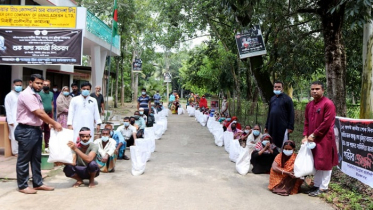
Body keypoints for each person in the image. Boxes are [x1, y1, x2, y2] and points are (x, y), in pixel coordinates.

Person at [15, 74, 62, 194]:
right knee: (24, 159)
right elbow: (39, 113)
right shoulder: (27, 95)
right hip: (26, 130)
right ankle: (22, 185)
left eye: (41, 83)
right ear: (30, 82)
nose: (40, 85)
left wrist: (47, 123)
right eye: (37, 83)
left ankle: (38, 183)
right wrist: (54, 123)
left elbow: (41, 114)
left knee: (36, 159)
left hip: (35, 129)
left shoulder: (36, 95)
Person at [302, 81, 338, 197]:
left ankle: (324, 187)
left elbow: (326, 123)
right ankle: (316, 185)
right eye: (312, 89)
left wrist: (314, 134)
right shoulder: (309, 105)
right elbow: (306, 122)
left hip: (325, 138)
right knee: (316, 162)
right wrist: (305, 136)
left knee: (326, 162)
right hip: (312, 139)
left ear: (323, 90)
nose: (314, 91)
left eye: (317, 89)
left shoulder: (328, 104)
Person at [265, 81, 295, 148]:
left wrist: (290, 126)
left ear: (282, 88)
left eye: (279, 87)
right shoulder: (272, 99)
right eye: (275, 87)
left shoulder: (287, 99)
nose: (277, 88)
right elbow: (269, 113)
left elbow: (291, 113)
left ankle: (280, 155)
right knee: (271, 140)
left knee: (282, 142)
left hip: (282, 126)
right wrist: (266, 125)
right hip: (272, 124)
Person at [5, 79, 23, 155]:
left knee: (22, 135)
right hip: (13, 119)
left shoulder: (22, 94)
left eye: (20, 85)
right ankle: (15, 151)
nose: (19, 87)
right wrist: (10, 121)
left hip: (22, 118)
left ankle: (21, 151)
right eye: (17, 85)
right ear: (13, 85)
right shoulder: (9, 95)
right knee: (14, 136)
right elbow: (8, 109)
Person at [38, 79, 54, 152]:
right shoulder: (39, 94)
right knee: (40, 130)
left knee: (48, 131)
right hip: (42, 114)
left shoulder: (51, 94)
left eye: (47, 85)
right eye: (44, 85)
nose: (46, 86)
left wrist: (52, 117)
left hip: (49, 114)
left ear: (50, 86)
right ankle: (39, 146)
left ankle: (47, 147)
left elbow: (52, 104)